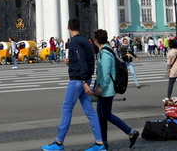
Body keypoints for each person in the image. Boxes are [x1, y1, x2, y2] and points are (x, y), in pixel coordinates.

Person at [42, 18, 104, 151]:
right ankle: (99, 143)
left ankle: (58, 143)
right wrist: (70, 62)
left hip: (77, 80)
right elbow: (85, 60)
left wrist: (83, 82)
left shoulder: (74, 42)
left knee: (66, 109)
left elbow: (81, 61)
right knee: (90, 112)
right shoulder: (86, 42)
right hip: (84, 79)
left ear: (68, 27)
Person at [93, 29, 140, 149]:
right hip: (106, 88)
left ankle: (130, 132)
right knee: (101, 115)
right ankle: (104, 141)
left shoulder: (105, 54)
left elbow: (105, 73)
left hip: (107, 89)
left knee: (106, 114)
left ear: (97, 40)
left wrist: (100, 88)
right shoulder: (106, 51)